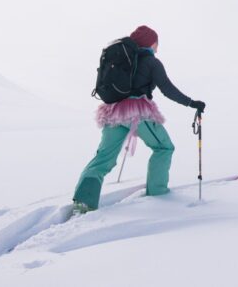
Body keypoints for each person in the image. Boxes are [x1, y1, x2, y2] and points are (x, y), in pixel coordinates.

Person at [72, 25, 205, 214]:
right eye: (157, 43)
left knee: (103, 157)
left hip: (114, 112)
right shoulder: (151, 62)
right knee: (164, 147)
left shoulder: (124, 59)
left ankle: (83, 202)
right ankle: (158, 193)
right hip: (137, 112)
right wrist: (192, 103)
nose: (158, 47)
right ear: (151, 43)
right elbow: (167, 89)